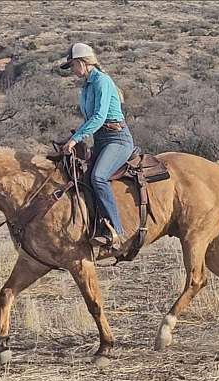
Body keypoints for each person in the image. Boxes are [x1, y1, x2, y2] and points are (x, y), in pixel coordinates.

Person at [60, 43, 134, 249]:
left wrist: (76, 139)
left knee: (98, 177)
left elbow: (99, 117)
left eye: (73, 65)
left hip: (117, 139)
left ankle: (117, 232)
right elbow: (90, 119)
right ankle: (95, 226)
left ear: (83, 62)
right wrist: (76, 136)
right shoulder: (86, 86)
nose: (73, 70)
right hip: (100, 140)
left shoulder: (102, 81)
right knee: (80, 177)